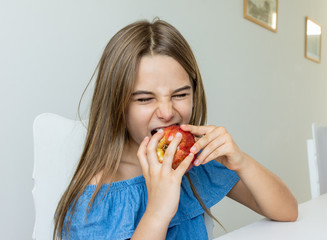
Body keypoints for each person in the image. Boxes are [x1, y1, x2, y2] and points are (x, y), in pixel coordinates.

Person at [53, 18, 298, 240]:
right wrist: (157, 212)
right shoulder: (93, 199)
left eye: (180, 94)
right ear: (117, 104)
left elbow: (287, 210)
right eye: (144, 99)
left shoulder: (193, 164)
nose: (167, 111)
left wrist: (241, 162)